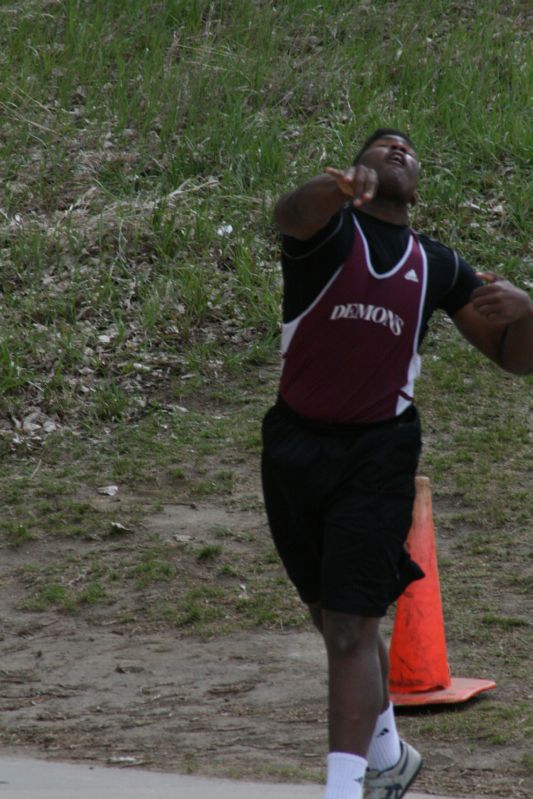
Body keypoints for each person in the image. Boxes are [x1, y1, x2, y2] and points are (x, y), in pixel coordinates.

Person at [261, 128, 533, 799]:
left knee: (353, 624)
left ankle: (343, 789)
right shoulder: (327, 231)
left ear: (419, 181)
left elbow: (514, 356)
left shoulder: (436, 264)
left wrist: (530, 310)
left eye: (409, 150)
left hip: (378, 452)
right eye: (382, 145)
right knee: (329, 616)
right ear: (356, 168)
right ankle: (387, 753)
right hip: (294, 445)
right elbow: (288, 214)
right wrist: (335, 189)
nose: (398, 151)